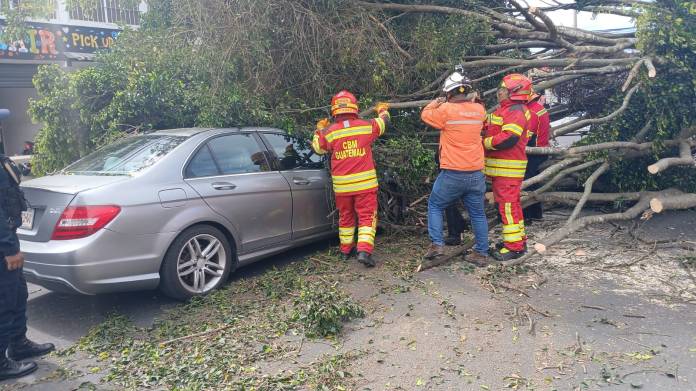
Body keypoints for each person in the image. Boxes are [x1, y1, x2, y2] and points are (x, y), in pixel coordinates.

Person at [311, 90, 390, 267]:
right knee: (367, 216)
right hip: (365, 186)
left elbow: (318, 147)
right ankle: (364, 251)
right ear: (354, 107)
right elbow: (384, 123)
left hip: (342, 187)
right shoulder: (365, 125)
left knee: (346, 217)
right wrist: (382, 110)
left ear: (334, 111)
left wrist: (319, 129)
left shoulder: (330, 132)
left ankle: (346, 249)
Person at [421, 69, 489, 265]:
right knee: (477, 213)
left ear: (449, 93)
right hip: (476, 173)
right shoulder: (479, 110)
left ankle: (437, 245)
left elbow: (425, 114)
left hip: (453, 173)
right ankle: (481, 253)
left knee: (435, 205)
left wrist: (438, 100)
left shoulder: (445, 110)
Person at [0, 154, 54, 380]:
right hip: (3, 245)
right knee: (4, 301)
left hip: (8, 238)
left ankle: (18, 344)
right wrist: (9, 248)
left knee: (18, 293)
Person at [483, 74, 533, 261]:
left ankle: (514, 248)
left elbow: (509, 137)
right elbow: (493, 123)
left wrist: (485, 143)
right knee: (513, 207)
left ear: (514, 92)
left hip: (508, 170)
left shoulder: (515, 111)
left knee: (508, 208)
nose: (499, 93)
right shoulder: (506, 109)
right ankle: (519, 240)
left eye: (503, 90)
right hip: (504, 171)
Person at [523, 90, 550, 222]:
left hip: (535, 151)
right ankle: (536, 213)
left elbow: (527, 136)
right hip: (541, 148)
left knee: (527, 182)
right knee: (533, 182)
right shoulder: (538, 108)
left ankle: (528, 214)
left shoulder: (531, 113)